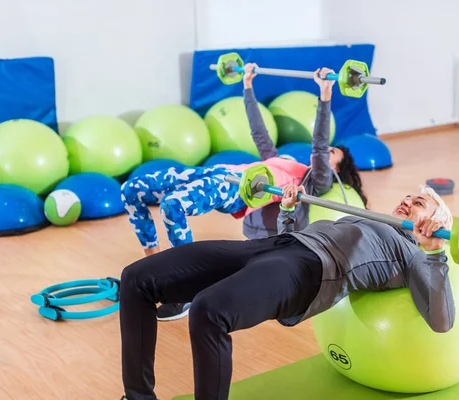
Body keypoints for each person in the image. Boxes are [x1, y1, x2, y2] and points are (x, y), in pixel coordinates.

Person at [117, 183, 456, 400]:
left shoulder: (412, 253)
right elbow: (302, 238)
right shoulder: (366, 219)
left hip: (308, 272)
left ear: (434, 222)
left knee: (208, 310)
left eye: (419, 202)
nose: (407, 201)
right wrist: (289, 212)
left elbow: (442, 321)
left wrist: (436, 250)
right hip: (273, 246)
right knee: (135, 278)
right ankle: (137, 397)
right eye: (408, 196)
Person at [120, 63, 366, 321]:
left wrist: (325, 95)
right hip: (216, 171)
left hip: (235, 188)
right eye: (329, 150)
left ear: (337, 168)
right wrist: (247, 85)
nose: (327, 153)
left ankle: (185, 291)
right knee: (131, 190)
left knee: (172, 205)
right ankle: (153, 265)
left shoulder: (316, 179)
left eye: (332, 154)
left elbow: (319, 145)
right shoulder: (285, 161)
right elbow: (260, 134)